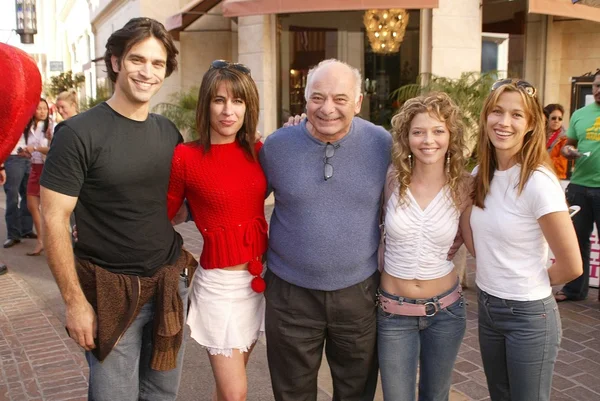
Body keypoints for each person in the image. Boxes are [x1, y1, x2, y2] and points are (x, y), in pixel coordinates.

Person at [40, 18, 197, 401]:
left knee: (162, 395)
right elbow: (53, 219)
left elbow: (175, 205)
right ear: (115, 62)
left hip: (167, 286)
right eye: (136, 60)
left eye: (157, 64)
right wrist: (75, 303)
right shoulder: (78, 133)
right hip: (109, 293)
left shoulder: (167, 132)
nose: (147, 72)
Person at [260, 59, 392, 400]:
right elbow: (242, 200)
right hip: (289, 294)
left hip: (358, 293)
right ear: (304, 99)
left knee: (356, 391)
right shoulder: (276, 146)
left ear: (359, 102)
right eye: (317, 97)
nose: (328, 108)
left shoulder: (383, 144)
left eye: (340, 99)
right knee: (292, 393)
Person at [466, 79, 582, 401]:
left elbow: (572, 265)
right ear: (486, 116)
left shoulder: (538, 182)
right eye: (497, 112)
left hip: (529, 315)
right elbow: (477, 239)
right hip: (488, 306)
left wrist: (527, 282)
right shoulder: (481, 174)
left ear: (531, 124)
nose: (504, 123)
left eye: (517, 115)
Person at [166, 60, 267, 401]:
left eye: (237, 101)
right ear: (206, 103)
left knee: (227, 394)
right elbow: (164, 214)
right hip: (219, 288)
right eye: (219, 100)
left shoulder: (258, 150)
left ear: (247, 106)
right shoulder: (185, 156)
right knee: (236, 392)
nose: (228, 111)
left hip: (257, 282)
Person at [377, 92, 472, 401]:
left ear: (451, 136)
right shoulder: (392, 179)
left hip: (445, 312)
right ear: (407, 137)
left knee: (436, 395)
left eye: (438, 131)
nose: (427, 140)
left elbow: (479, 242)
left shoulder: (465, 185)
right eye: (418, 132)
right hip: (393, 312)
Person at [555, 71, 600, 302]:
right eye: (596, 86)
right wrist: (568, 152)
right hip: (580, 186)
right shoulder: (580, 114)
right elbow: (569, 146)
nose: (598, 90)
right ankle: (574, 290)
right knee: (577, 240)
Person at [23, 99, 52, 256]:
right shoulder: (30, 127)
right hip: (34, 167)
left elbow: (53, 149)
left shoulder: (51, 126)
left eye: (45, 108)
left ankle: (51, 241)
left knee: (49, 208)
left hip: (47, 168)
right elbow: (31, 148)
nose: (42, 111)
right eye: (39, 108)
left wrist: (35, 148)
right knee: (32, 204)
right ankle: (41, 240)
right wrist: (27, 152)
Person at [3, 134, 35, 249]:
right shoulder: (12, 117)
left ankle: (26, 229)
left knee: (29, 195)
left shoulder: (33, 121)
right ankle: (13, 234)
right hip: (12, 157)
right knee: (12, 197)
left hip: (29, 157)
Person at [543, 103, 568, 180]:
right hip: (538, 175)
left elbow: (562, 165)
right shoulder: (537, 135)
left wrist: (541, 161)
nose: (557, 121)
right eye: (554, 118)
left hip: (555, 178)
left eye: (560, 119)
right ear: (546, 118)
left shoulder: (565, 139)